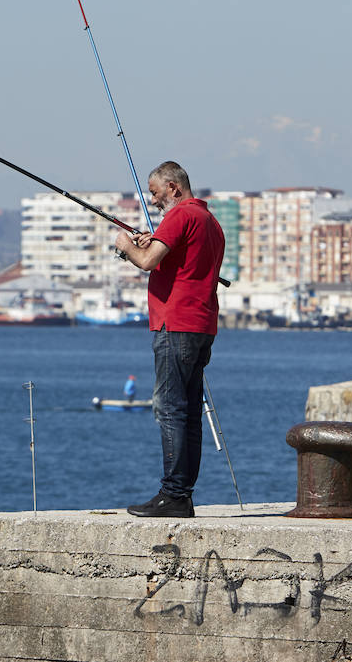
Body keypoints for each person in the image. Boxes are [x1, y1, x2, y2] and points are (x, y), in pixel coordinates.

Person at [114, 161, 225, 518]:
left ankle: (174, 495)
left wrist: (124, 245)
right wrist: (156, 240)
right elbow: (179, 260)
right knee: (189, 411)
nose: (152, 197)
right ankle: (182, 494)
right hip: (201, 324)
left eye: (155, 191)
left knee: (170, 408)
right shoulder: (210, 222)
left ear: (174, 187)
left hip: (175, 323)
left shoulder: (179, 217)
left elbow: (147, 262)